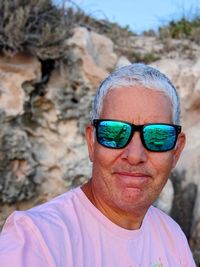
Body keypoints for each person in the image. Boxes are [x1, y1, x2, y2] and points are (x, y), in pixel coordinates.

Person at [0, 63, 196, 266]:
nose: (135, 155)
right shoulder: (36, 240)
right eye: (114, 133)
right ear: (92, 143)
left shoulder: (172, 238)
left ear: (176, 151)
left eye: (158, 136)